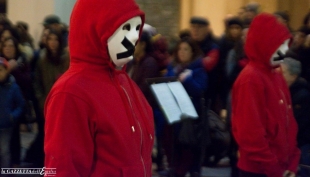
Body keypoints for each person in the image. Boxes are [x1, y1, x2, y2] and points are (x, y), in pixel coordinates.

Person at [44, 0, 154, 176]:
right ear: (95, 28)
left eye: (136, 28)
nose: (134, 36)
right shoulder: (71, 92)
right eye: (125, 28)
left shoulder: (126, 83)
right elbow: (63, 169)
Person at [232, 13, 300, 177]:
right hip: (259, 170)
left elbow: (288, 122)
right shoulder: (251, 79)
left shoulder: (275, 74)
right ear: (265, 44)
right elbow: (251, 135)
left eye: (285, 46)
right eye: (279, 46)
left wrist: (292, 162)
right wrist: (274, 170)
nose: (283, 52)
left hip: (279, 166)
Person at [164, 37, 207, 177]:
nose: (182, 52)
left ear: (192, 52)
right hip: (173, 111)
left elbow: (199, 90)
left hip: (191, 115)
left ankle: (182, 169)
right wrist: (172, 75)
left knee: (185, 142)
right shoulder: (173, 67)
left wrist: (188, 79)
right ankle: (173, 166)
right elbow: (166, 84)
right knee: (168, 135)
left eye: (186, 49)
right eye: (180, 49)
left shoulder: (198, 70)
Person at [281, 58, 310, 177]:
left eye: (282, 73)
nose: (278, 75)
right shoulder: (288, 90)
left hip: (301, 145)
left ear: (293, 76)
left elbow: (296, 122)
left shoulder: (302, 95)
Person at [0, 57, 24, 169]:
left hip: (6, 126)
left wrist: (12, 116)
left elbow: (20, 104)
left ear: (6, 71)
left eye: (0, 70)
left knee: (4, 151)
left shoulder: (13, 87)